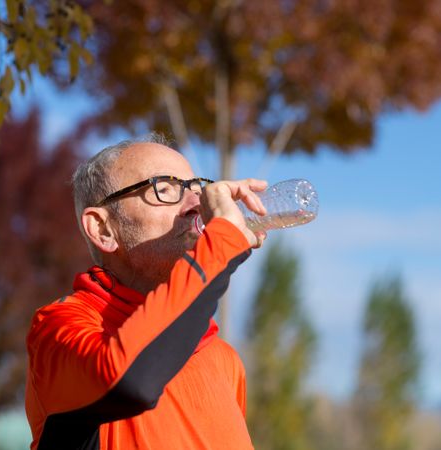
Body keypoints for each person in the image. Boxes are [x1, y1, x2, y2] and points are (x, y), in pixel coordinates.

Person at [24, 134, 268, 450]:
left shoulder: (223, 359)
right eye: (164, 189)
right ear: (103, 229)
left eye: (197, 189)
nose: (197, 204)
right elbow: (129, 381)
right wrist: (222, 242)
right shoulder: (58, 330)